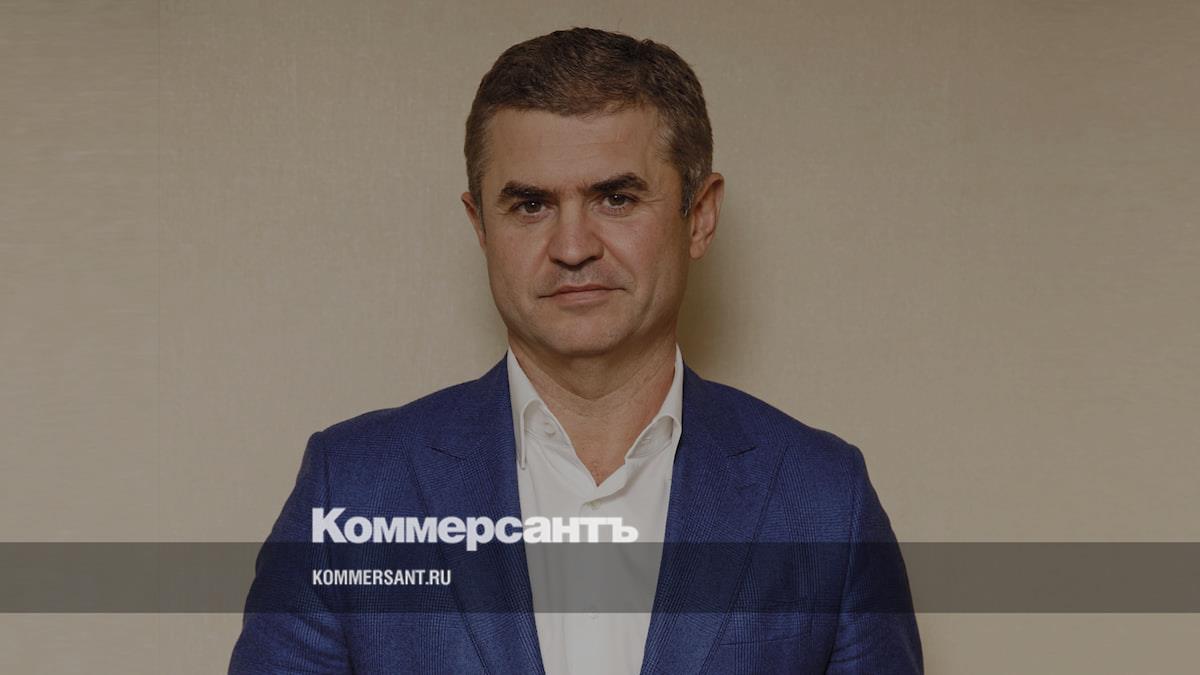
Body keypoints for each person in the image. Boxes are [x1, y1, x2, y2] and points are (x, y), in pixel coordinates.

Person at [230, 27, 922, 674]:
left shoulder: (826, 500)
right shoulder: (353, 490)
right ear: (480, 226)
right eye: (530, 205)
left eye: (616, 198)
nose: (571, 247)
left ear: (700, 216)